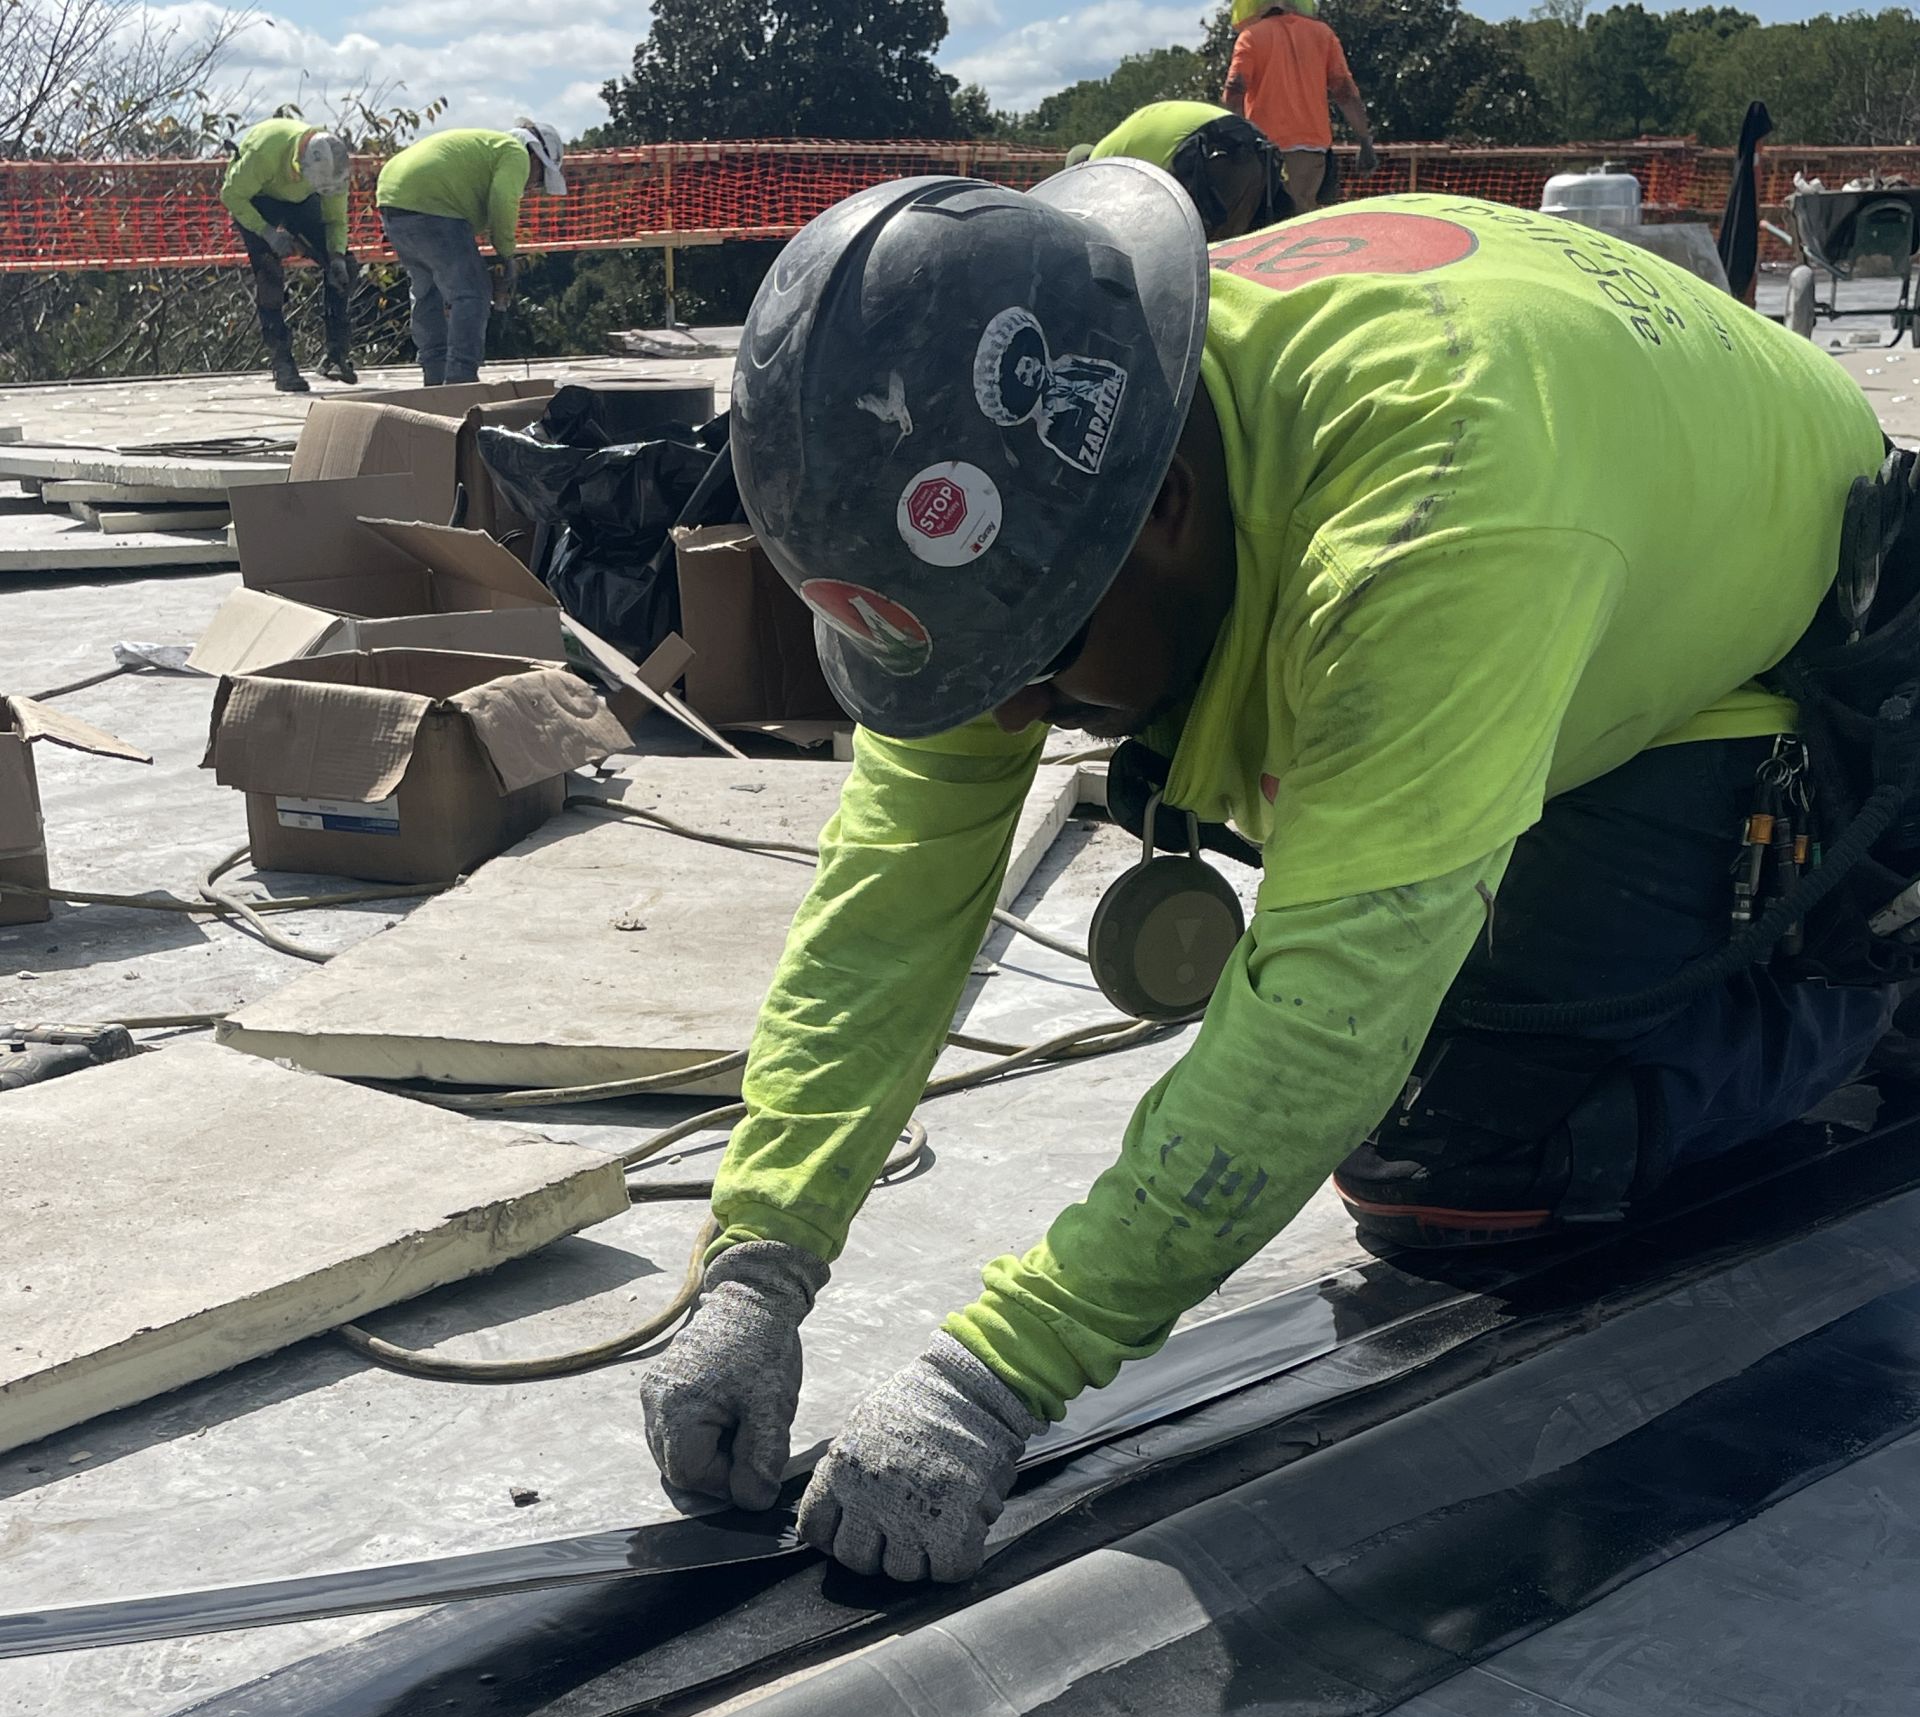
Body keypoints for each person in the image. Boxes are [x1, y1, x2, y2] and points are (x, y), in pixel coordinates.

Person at [640, 171, 1894, 1586]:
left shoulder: (1436, 520)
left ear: (1166, 507)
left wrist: (1000, 1373)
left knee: (1470, 1165)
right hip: (1603, 525)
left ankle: (1869, 972)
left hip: (1788, 654)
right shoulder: (1060, 440)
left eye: (1034, 669)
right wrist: (759, 1257)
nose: (1002, 725)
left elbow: (1333, 1007)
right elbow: (894, 892)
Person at [375, 118, 565, 387]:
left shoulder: (488, 148)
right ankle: (460, 378)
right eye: (540, 177)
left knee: (428, 291)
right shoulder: (515, 153)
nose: (533, 186)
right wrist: (506, 254)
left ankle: (435, 373)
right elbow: (503, 198)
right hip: (434, 205)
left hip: (392, 201)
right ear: (536, 155)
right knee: (473, 293)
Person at [220, 120, 356, 395]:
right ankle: (282, 361)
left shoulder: (332, 171)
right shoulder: (265, 151)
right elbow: (232, 195)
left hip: (302, 201)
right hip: (257, 200)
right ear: (301, 166)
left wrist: (337, 256)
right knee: (269, 271)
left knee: (345, 269)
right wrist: (267, 233)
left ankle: (336, 355)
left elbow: (335, 219)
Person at [1224, 0, 1377, 214]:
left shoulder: (1251, 37)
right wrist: (1365, 141)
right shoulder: (1322, 34)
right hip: (1312, 152)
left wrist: (1240, 140)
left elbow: (1233, 93)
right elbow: (1345, 93)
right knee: (1303, 222)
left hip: (1265, 154)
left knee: (1263, 225)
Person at [1086, 101, 1289, 240]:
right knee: (1254, 243)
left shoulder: (1097, 166)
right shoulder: (1117, 145)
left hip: (1213, 153)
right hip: (1253, 145)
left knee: (1209, 257)